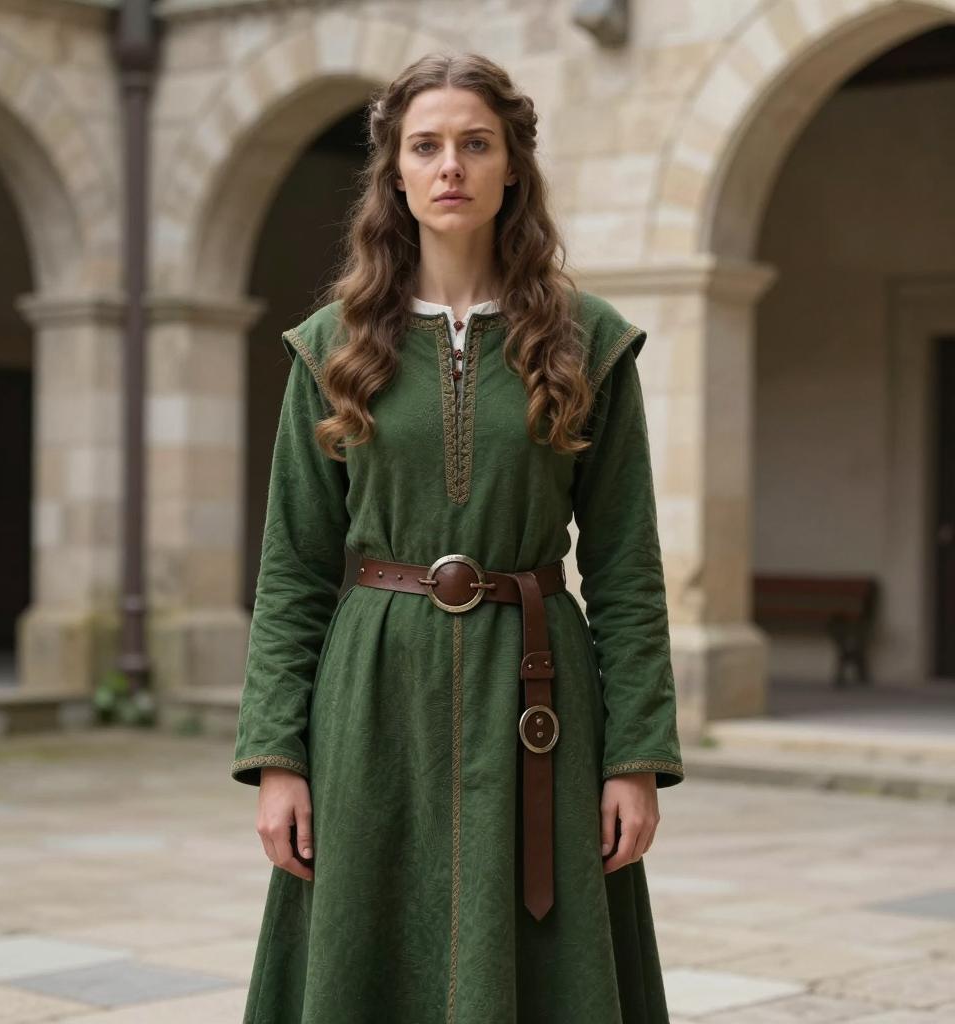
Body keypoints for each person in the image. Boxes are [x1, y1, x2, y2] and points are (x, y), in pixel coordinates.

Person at [231, 51, 684, 1024]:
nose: (450, 167)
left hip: (537, 698)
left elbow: (623, 565)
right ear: (392, 171)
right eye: (425, 146)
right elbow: (295, 568)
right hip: (371, 700)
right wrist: (279, 757)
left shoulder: (586, 340)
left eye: (475, 144)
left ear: (511, 165)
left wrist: (633, 755)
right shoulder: (334, 346)